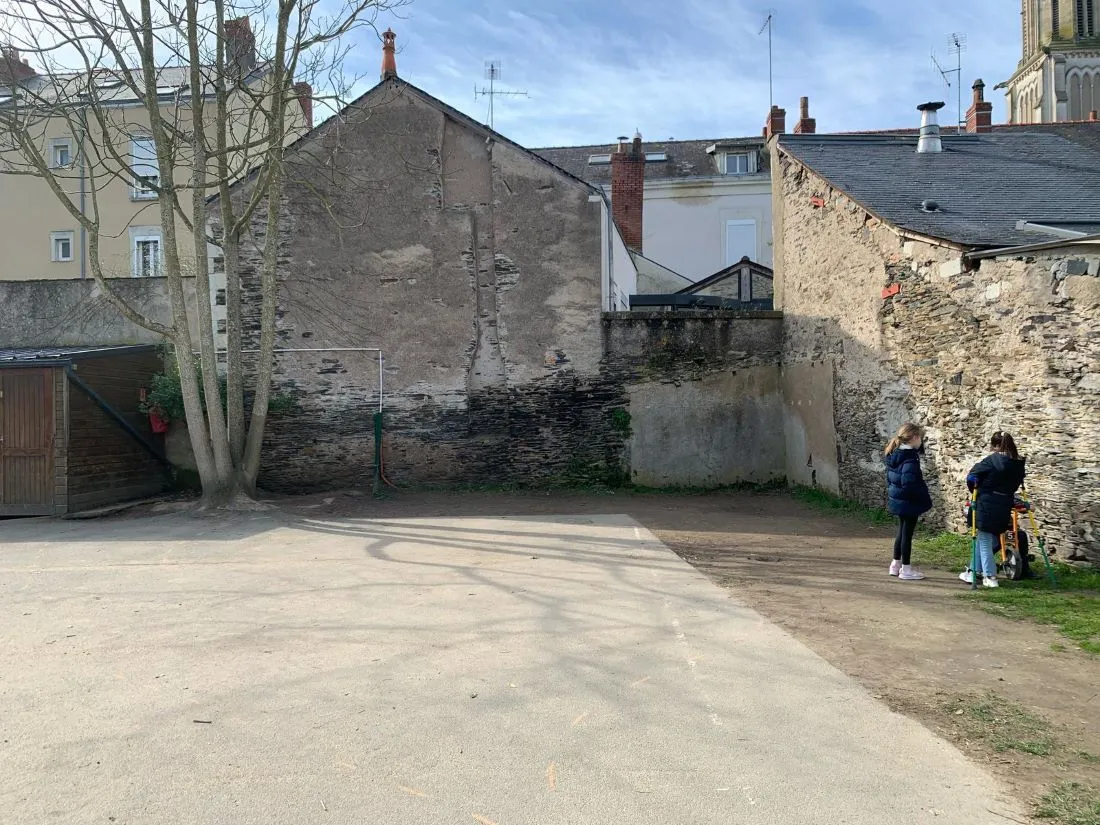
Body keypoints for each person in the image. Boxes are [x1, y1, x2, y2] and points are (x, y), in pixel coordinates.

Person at [961, 431, 1027, 589]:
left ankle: (990, 576)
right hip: (1004, 504)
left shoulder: (991, 461)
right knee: (984, 537)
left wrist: (975, 489)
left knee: (984, 539)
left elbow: (971, 477)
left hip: (986, 503)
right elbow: (1016, 483)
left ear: (995, 446)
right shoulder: (1018, 463)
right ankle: (972, 571)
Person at [884, 422, 933, 581]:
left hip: (899, 500)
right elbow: (909, 482)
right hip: (909, 501)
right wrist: (921, 495)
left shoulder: (895, 453)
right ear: (915, 438)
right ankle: (906, 568)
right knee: (907, 535)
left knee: (901, 531)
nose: (922, 442)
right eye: (921, 438)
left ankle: (895, 564)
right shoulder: (910, 459)